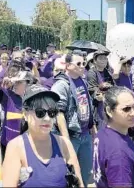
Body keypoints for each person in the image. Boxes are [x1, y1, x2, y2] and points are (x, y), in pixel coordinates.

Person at [2, 84, 83, 187]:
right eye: (40, 113)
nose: (47, 119)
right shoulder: (15, 147)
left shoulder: (64, 144)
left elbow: (79, 183)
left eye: (52, 113)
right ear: (26, 114)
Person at [51, 50, 94, 186]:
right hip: (71, 136)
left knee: (85, 175)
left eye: (84, 63)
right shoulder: (61, 85)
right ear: (68, 65)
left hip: (85, 135)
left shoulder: (83, 81)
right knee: (68, 175)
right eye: (79, 63)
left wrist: (93, 129)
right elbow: (59, 113)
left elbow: (87, 106)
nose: (82, 66)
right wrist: (66, 140)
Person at [93, 86, 134, 188]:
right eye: (126, 109)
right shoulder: (118, 152)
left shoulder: (103, 133)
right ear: (109, 111)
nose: (133, 113)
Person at [0, 62, 30, 161]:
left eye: (19, 82)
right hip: (7, 144)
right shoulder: (8, 96)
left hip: (26, 146)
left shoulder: (33, 99)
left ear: (26, 82)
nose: (15, 85)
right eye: (14, 82)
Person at [87, 51, 114, 130]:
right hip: (97, 107)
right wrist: (98, 93)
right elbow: (92, 89)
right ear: (95, 61)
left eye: (105, 58)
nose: (104, 60)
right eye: (101, 58)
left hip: (107, 106)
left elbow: (113, 86)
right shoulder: (91, 73)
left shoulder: (107, 72)